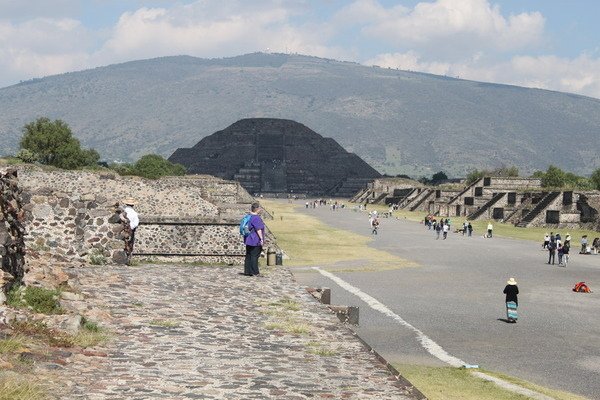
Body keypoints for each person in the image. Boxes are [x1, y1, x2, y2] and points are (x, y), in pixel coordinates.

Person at [243, 202, 265, 276]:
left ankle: (247, 271)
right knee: (254, 256)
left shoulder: (248, 216)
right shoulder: (256, 218)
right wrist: (261, 239)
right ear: (257, 209)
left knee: (248, 255)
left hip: (248, 239)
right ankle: (255, 272)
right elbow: (258, 229)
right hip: (255, 239)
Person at [119, 198, 139, 265]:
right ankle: (128, 260)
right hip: (130, 230)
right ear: (133, 205)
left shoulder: (122, 212)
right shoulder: (134, 213)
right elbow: (136, 223)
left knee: (122, 244)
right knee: (129, 244)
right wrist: (130, 227)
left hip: (121, 229)